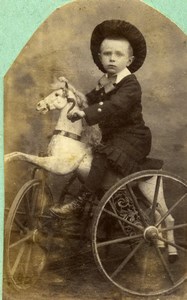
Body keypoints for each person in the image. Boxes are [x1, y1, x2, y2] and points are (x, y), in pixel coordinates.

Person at [51, 19, 163, 215]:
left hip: (134, 139)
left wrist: (85, 113)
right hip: (113, 138)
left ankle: (83, 197)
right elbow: (90, 98)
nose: (112, 59)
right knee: (89, 152)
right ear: (100, 57)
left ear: (129, 61)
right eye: (107, 54)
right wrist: (72, 95)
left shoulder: (130, 85)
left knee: (102, 154)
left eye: (118, 54)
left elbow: (115, 105)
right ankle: (103, 202)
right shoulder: (105, 81)